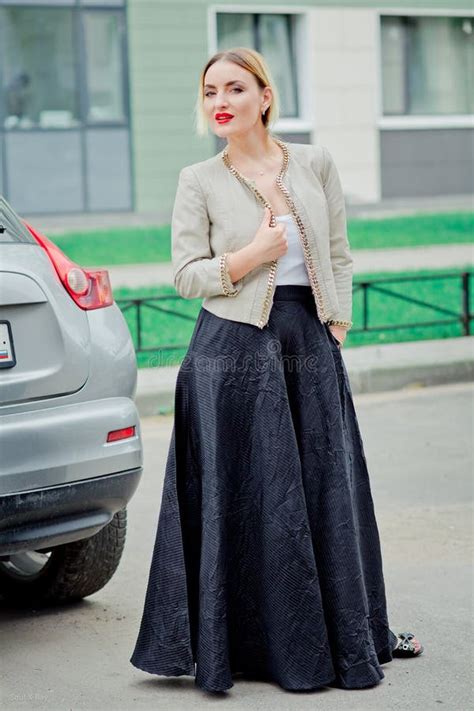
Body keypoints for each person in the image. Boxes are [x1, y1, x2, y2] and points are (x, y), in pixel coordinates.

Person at [130, 47, 424, 695]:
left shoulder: (314, 163)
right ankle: (238, 644)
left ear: (265, 95)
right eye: (209, 91)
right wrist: (248, 256)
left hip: (308, 344)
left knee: (322, 492)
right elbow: (185, 274)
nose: (220, 101)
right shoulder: (198, 178)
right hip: (228, 355)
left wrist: (336, 322)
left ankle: (343, 632)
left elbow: (340, 254)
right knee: (248, 497)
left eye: (234, 88)